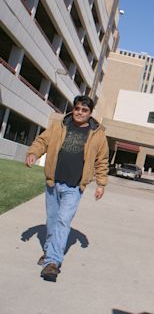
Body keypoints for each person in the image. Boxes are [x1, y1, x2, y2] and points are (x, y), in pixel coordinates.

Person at [25, 95, 109, 282]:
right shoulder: (59, 125)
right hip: (53, 182)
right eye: (77, 108)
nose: (80, 112)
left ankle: (53, 262)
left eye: (84, 110)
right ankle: (49, 253)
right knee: (52, 220)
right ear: (74, 108)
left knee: (63, 221)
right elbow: (42, 141)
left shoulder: (97, 134)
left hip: (74, 187)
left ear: (90, 113)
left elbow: (102, 160)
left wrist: (101, 184)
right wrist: (33, 153)